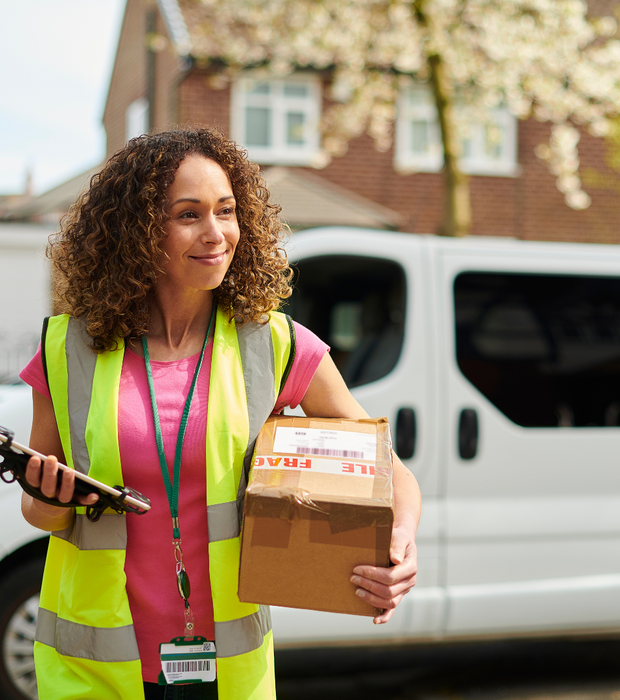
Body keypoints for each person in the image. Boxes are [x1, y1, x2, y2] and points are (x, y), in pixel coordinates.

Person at [19, 128, 421, 700]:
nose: (216, 234)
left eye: (226, 211)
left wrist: (401, 540)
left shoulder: (277, 344)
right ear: (137, 231)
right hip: (94, 671)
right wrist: (53, 500)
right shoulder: (66, 350)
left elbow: (391, 470)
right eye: (189, 215)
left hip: (228, 670)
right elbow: (41, 513)